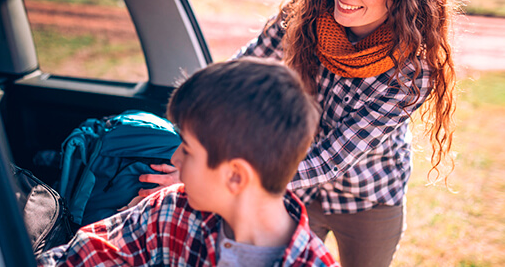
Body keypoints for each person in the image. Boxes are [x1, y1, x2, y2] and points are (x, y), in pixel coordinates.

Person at [140, 0, 460, 266]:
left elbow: (332, 158)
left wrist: (214, 174)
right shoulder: (303, 14)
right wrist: (194, 146)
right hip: (292, 189)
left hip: (369, 196)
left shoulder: (414, 70)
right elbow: (239, 76)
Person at [36, 58, 338, 267]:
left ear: (235, 177)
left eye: (188, 150)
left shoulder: (312, 261)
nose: (174, 157)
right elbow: (79, 257)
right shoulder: (171, 208)